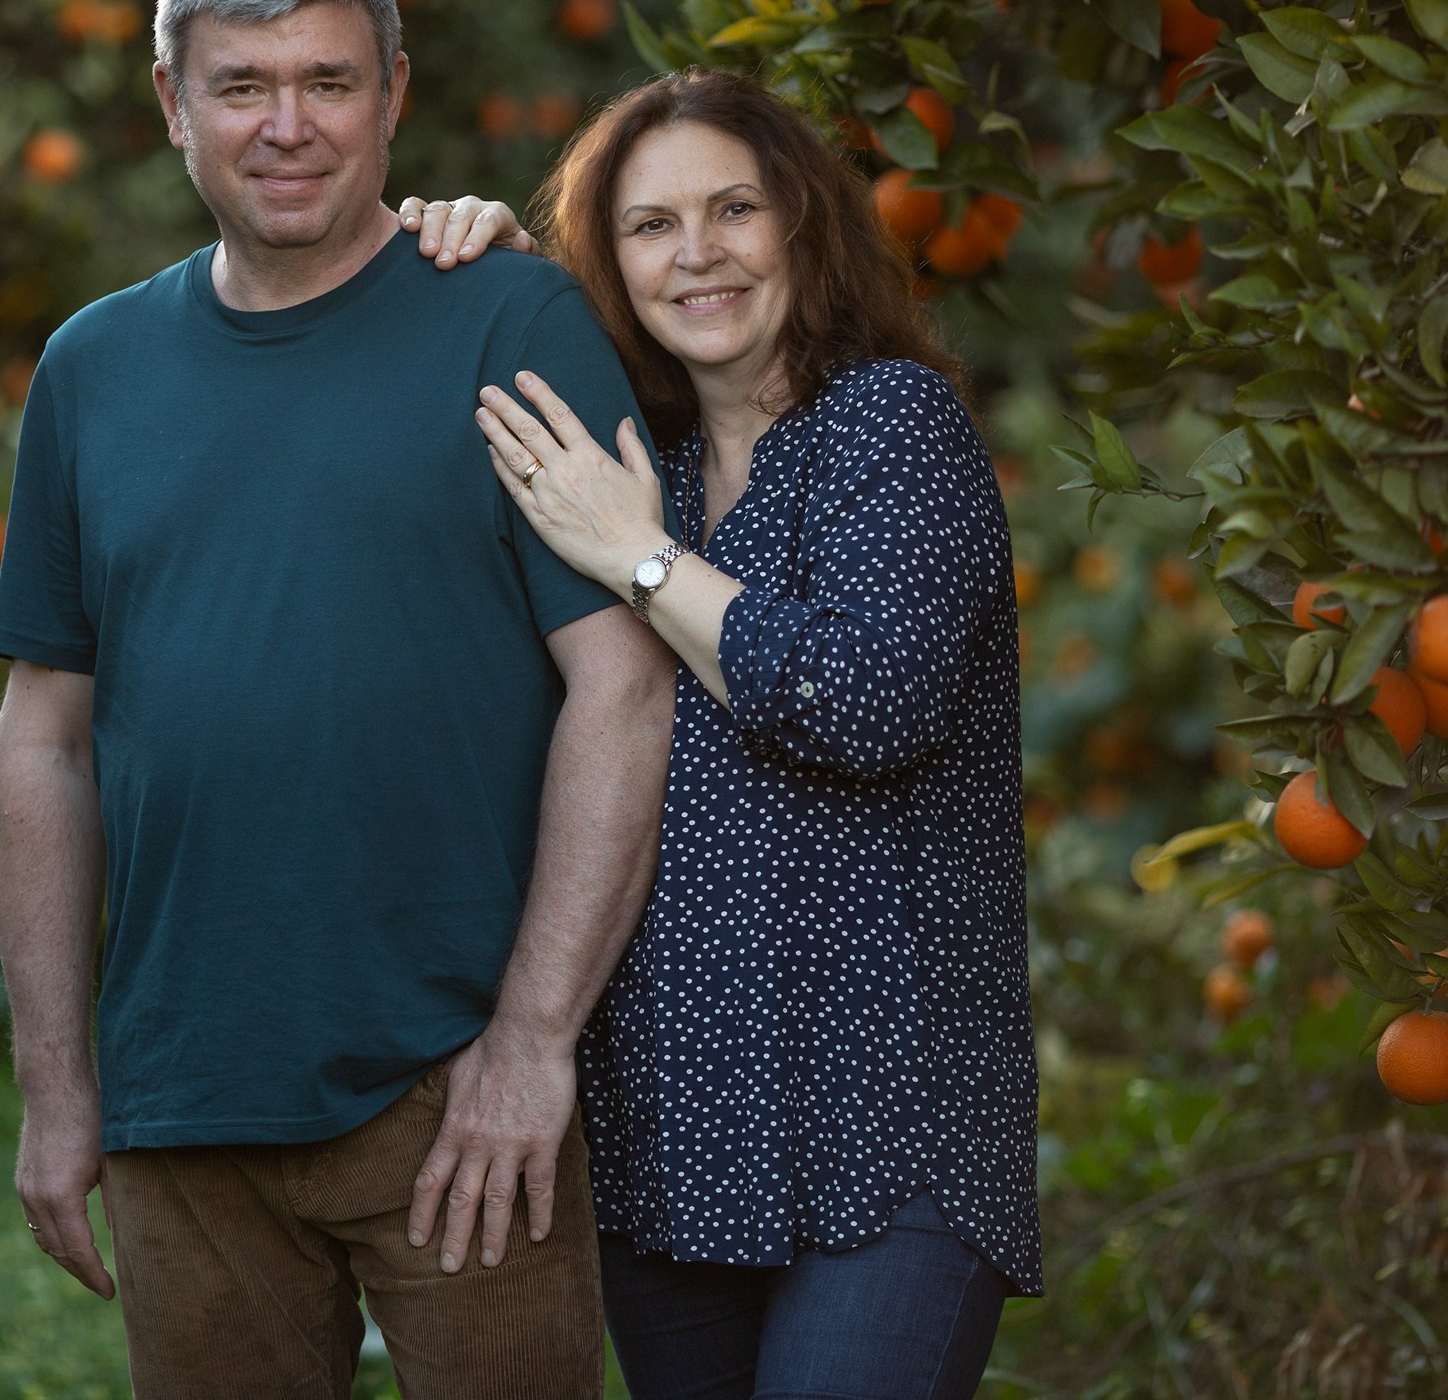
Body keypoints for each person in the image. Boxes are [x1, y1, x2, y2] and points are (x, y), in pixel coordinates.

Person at [0, 0, 677, 1400]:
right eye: (242, 86)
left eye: (329, 81)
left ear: (395, 96)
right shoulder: (92, 371)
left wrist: (532, 1042)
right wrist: (57, 1083)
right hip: (185, 1098)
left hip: (459, 1095)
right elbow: (42, 735)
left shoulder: (506, 320)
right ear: (171, 102)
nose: (286, 126)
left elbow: (621, 690)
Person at [397, 69, 1040, 1400]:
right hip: (671, 1137)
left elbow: (866, 703)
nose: (696, 254)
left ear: (801, 224)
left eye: (731, 209)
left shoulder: (888, 428)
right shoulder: (650, 466)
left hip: (890, 1130)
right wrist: (475, 271)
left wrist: (638, 561)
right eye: (647, 226)